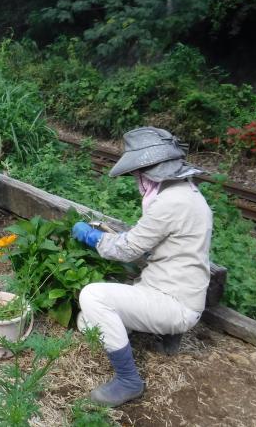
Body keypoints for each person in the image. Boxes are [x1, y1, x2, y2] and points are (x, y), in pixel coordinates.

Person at [71, 127, 212, 407]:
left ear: (152, 170)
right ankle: (168, 336)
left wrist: (92, 236)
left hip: (175, 302)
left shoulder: (170, 203)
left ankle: (128, 380)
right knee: (88, 324)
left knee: (91, 296)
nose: (138, 180)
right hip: (178, 292)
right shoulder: (186, 193)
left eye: (139, 173)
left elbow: (126, 249)